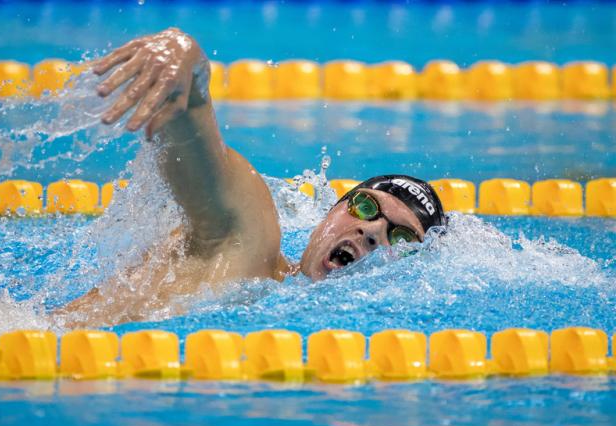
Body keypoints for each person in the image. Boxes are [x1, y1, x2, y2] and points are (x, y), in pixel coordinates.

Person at [57, 28, 446, 325]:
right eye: (366, 207)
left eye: (401, 237)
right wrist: (186, 56)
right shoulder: (250, 246)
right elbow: (206, 159)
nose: (374, 231)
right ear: (330, 213)